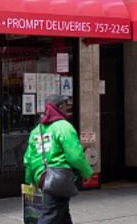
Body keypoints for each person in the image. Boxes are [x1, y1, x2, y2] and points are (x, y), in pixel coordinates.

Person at [23, 94, 93, 224]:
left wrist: (30, 181)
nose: (67, 108)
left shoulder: (36, 130)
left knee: (62, 215)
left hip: (43, 178)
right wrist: (87, 172)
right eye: (66, 105)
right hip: (58, 179)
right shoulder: (64, 126)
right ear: (60, 107)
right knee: (50, 215)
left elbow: (28, 159)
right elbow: (76, 156)